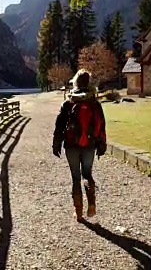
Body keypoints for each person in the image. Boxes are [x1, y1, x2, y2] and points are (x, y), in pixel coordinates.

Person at [52, 69, 107, 222]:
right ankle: (92, 204)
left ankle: (79, 212)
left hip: (71, 145)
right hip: (89, 145)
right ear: (89, 82)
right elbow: (101, 125)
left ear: (75, 82)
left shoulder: (69, 102)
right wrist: (102, 144)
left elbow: (59, 126)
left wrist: (56, 144)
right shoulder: (94, 103)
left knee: (76, 177)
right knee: (87, 174)